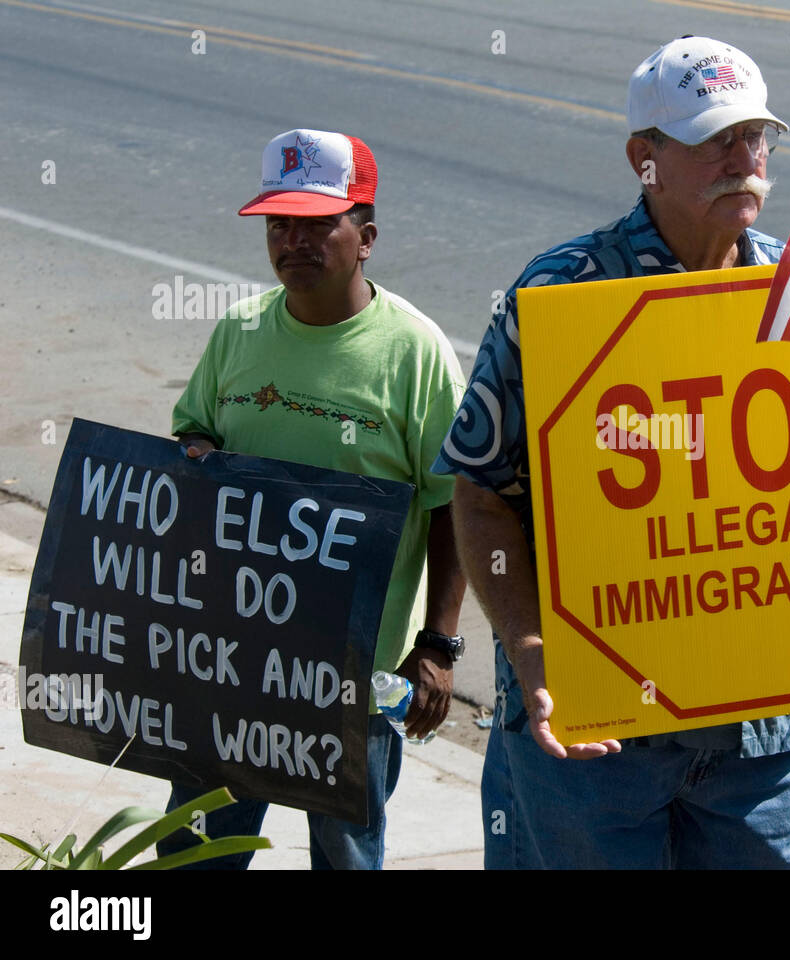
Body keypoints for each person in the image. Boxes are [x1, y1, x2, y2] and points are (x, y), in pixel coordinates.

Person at [435, 36, 790, 868]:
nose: (743, 156)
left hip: (764, 735)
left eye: (756, 135)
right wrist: (529, 648)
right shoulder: (562, 295)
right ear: (643, 159)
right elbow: (481, 493)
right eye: (714, 136)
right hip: (597, 727)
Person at [158, 129, 467, 869]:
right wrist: (197, 457)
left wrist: (440, 645)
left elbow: (453, 504)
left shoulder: (415, 353)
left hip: (359, 678)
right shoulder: (239, 331)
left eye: (315, 223)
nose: (292, 241)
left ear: (365, 237)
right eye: (278, 224)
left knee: (347, 856)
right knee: (197, 850)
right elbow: (192, 431)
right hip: (231, 660)